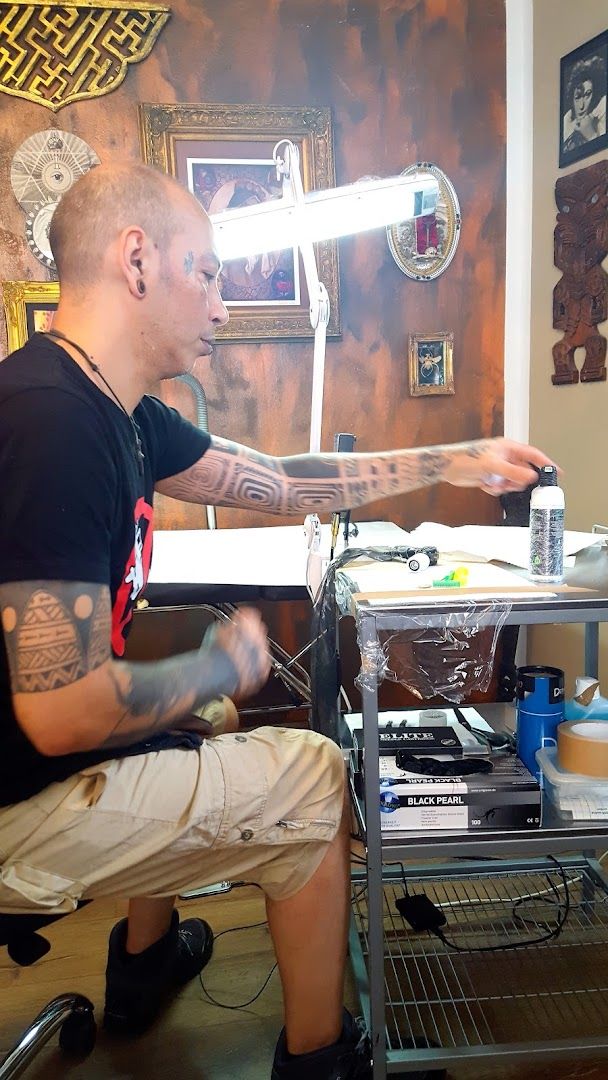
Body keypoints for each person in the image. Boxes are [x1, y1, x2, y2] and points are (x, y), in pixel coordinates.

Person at [0, 162, 555, 1080]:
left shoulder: (118, 411)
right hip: (19, 804)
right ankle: (322, 1063)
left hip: (34, 766)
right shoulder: (52, 425)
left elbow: (285, 477)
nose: (223, 302)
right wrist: (223, 664)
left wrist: (458, 457)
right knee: (310, 773)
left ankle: (141, 969)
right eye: (209, 272)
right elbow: (62, 715)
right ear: (136, 261)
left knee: (199, 719)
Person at [562, 54, 607, 152]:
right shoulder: (566, 125)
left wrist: (591, 135)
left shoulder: (601, 119)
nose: (582, 106)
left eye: (587, 95)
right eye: (577, 97)